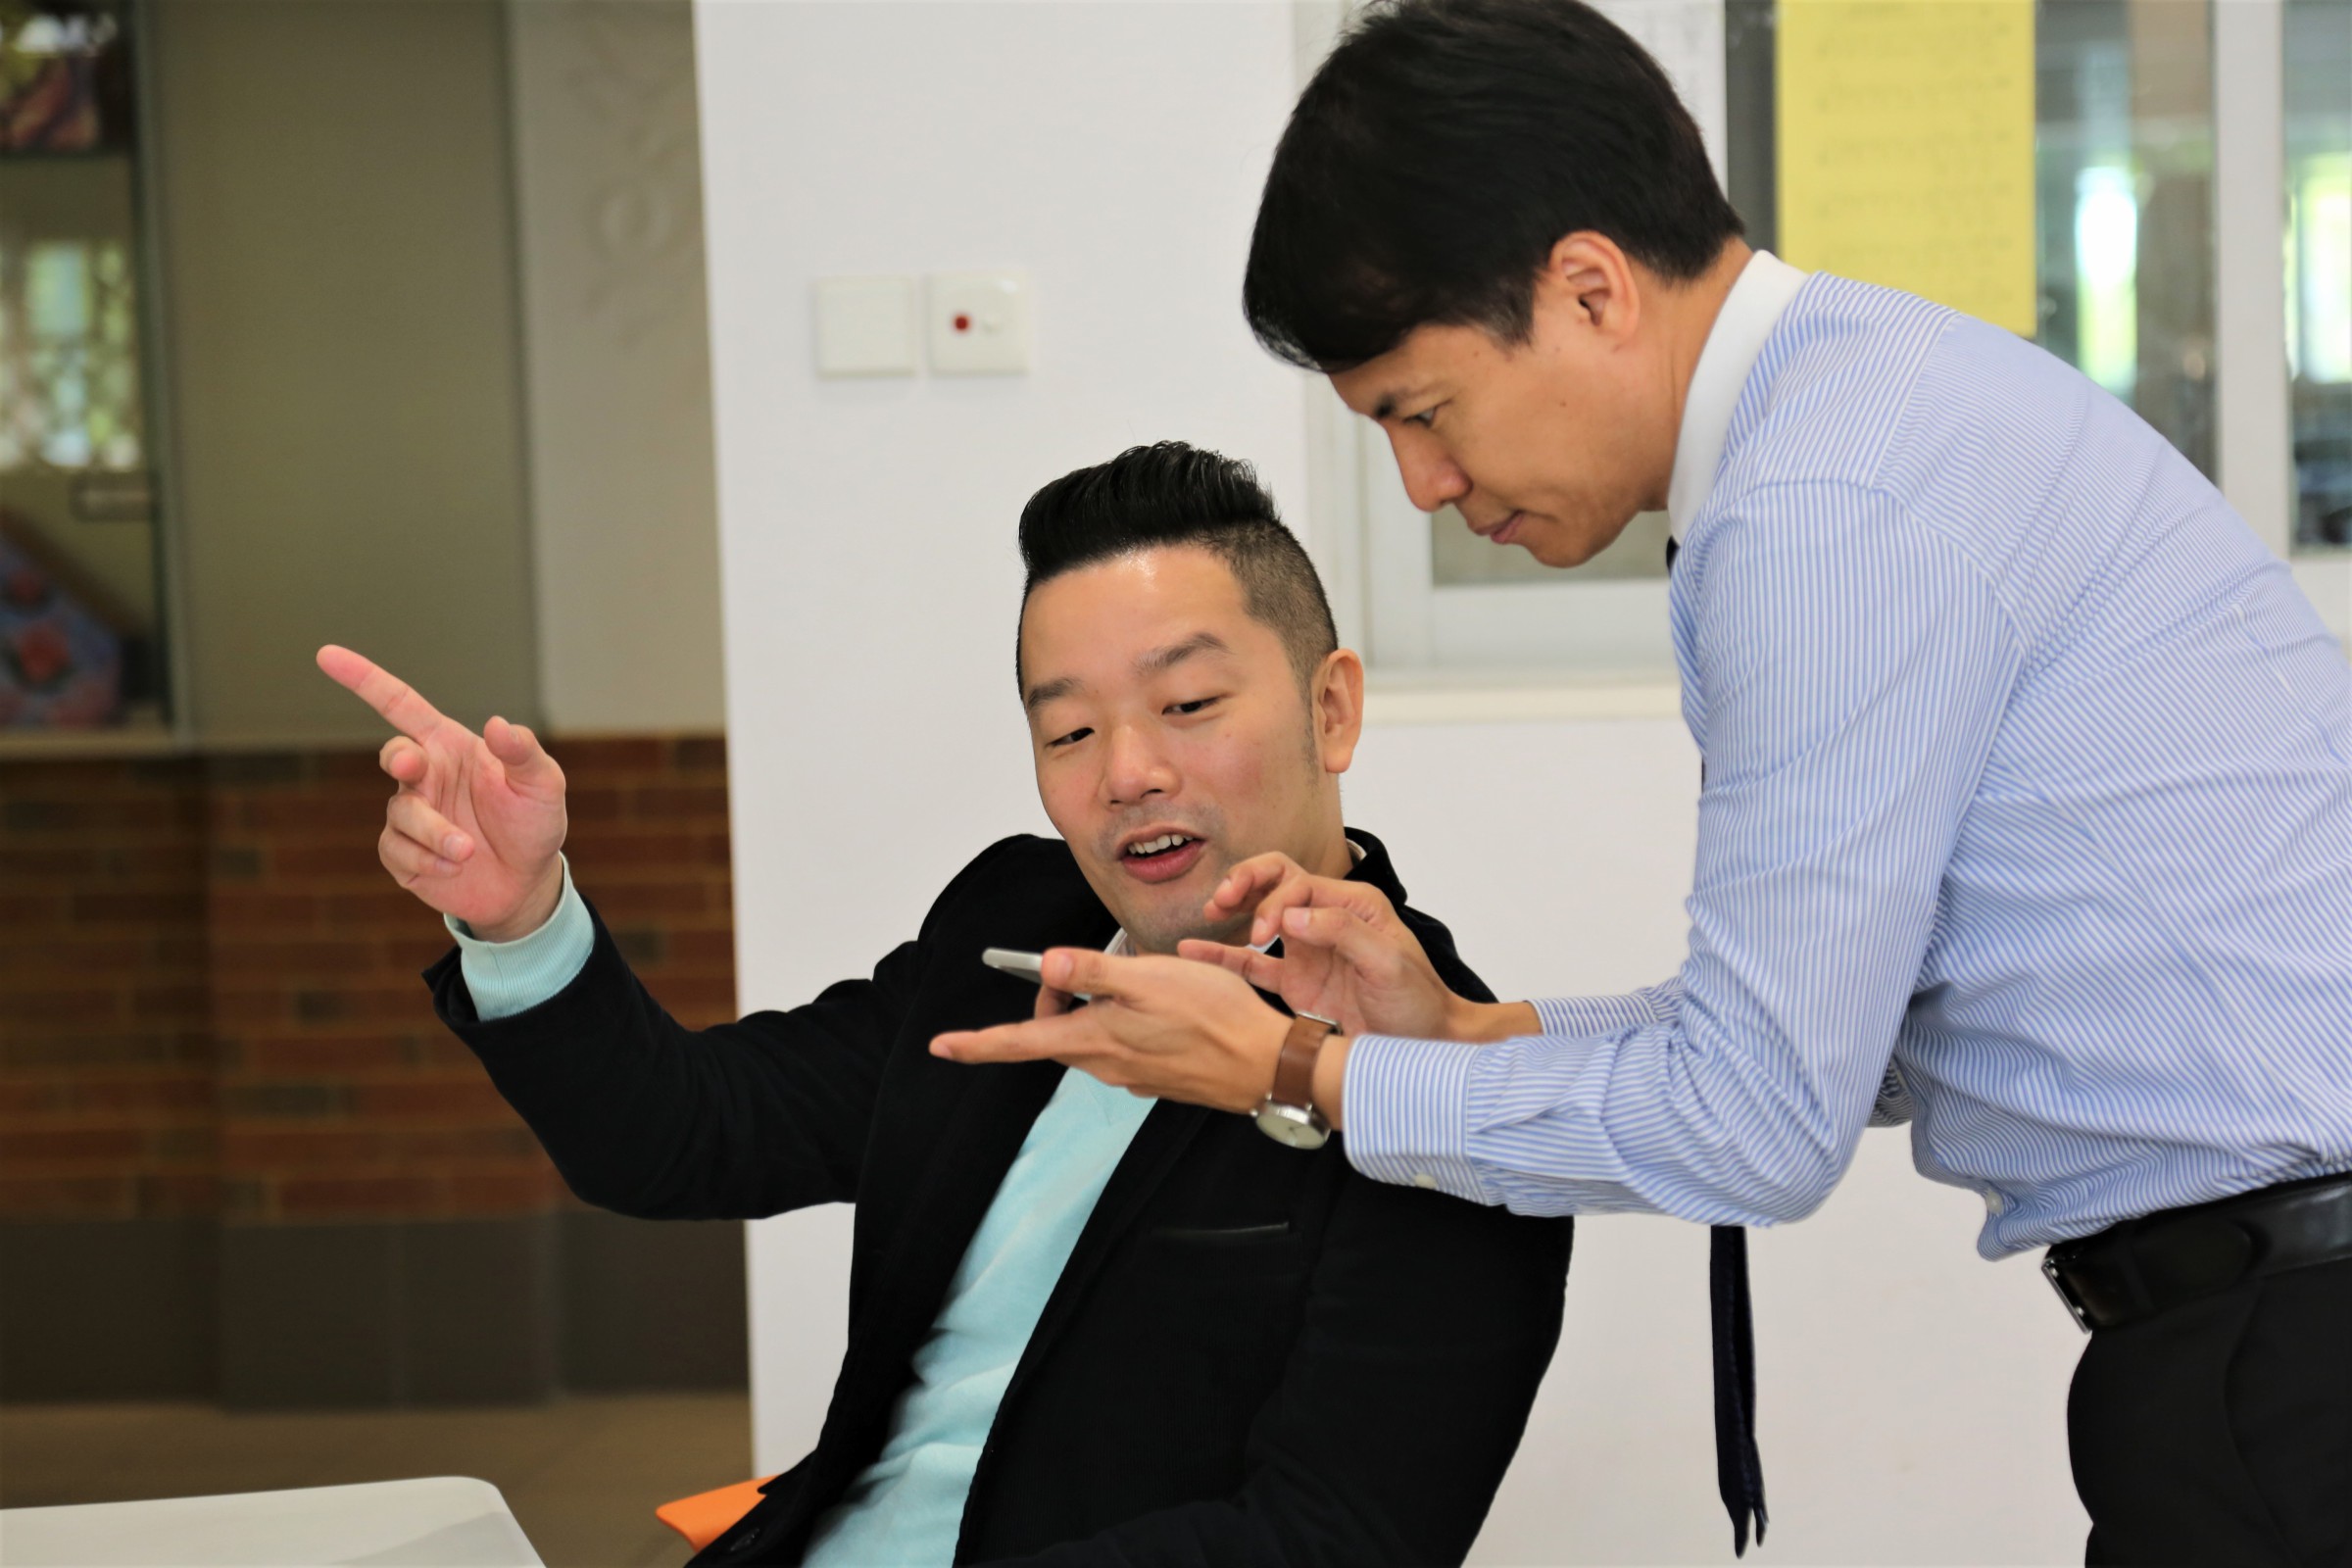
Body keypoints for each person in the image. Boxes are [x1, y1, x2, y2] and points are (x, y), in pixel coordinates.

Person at [927, 4, 2352, 1564]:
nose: (1422, 484)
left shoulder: (1820, 509)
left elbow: (1757, 1122)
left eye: (1423, 411)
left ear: (1591, 289)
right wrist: (1462, 1033)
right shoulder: (1865, 415)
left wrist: (1295, 1073)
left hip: (2298, 1348)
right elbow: (1839, 1034)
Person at [316, 442, 1573, 1567]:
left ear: (1330, 707)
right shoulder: (1010, 926)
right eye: (1069, 732)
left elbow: (1333, 1539)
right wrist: (519, 915)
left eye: (1188, 705)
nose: (1128, 772)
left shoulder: (1449, 1087)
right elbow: (682, 1133)